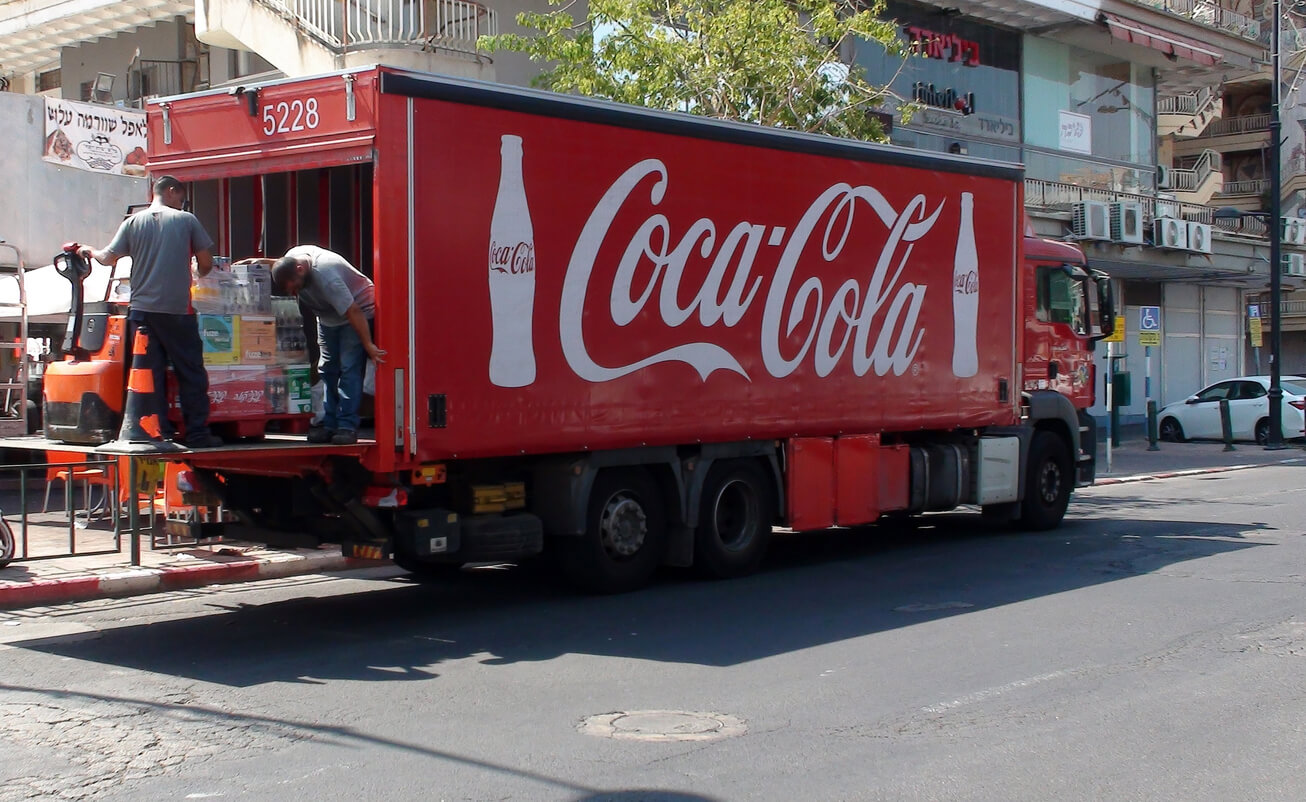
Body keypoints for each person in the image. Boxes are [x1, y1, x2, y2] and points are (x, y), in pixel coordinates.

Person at [79, 175, 223, 449]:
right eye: (180, 198)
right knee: (190, 372)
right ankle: (197, 434)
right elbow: (206, 262)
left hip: (142, 312)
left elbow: (107, 258)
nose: (181, 204)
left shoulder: (132, 222)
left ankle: (159, 432)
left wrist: (89, 249)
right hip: (177, 311)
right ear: (170, 192)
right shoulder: (186, 220)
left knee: (148, 374)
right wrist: (198, 271)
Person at [272, 246, 385, 445]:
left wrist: (368, 345)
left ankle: (346, 426)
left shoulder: (326, 275)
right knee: (327, 370)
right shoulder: (293, 259)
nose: (294, 292)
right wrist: (256, 261)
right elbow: (279, 263)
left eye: (295, 287)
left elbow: (353, 311)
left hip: (354, 315)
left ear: (300, 269)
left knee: (349, 369)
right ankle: (328, 424)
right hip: (328, 317)